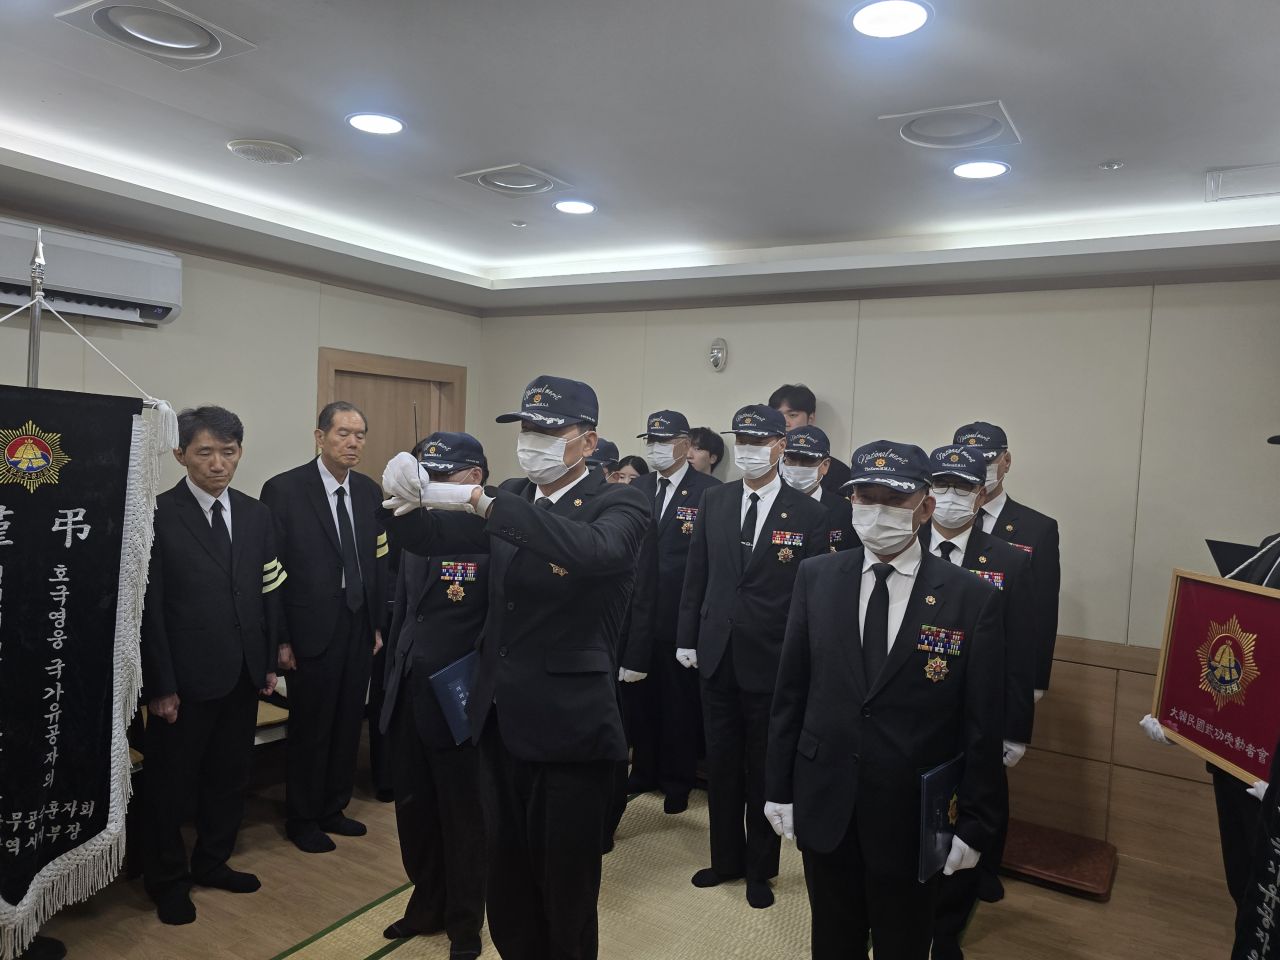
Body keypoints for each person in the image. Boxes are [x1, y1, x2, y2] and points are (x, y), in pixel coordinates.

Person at [380, 375, 649, 960]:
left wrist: (486, 503)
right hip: (497, 720)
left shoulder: (619, 501)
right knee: (507, 883)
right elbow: (430, 536)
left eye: (549, 430)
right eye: (527, 428)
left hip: (570, 727)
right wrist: (404, 496)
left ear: (588, 440)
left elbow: (595, 551)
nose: (533, 441)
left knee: (565, 891)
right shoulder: (517, 496)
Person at [765, 441, 1005, 960]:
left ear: (925, 506)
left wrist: (976, 822)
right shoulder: (816, 576)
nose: (877, 512)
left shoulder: (971, 597)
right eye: (865, 498)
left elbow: (982, 723)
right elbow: (791, 692)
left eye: (893, 500)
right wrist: (778, 787)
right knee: (833, 937)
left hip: (911, 814)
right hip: (826, 796)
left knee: (904, 943)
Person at [677, 403, 829, 908]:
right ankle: (725, 860)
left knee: (765, 769)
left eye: (758, 442)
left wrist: (804, 661)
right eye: (741, 441)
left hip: (772, 659)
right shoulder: (715, 500)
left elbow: (813, 599)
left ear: (780, 446)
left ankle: (760, 869)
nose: (747, 450)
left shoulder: (809, 513)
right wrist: (686, 637)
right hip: (716, 653)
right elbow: (696, 574)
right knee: (721, 766)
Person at [140, 406, 284, 925]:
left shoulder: (255, 513)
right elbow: (150, 610)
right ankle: (167, 880)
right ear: (181, 455)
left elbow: (267, 592)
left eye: (229, 451)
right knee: (170, 785)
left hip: (242, 673)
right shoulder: (156, 515)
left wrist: (268, 662)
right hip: (183, 681)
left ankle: (213, 860)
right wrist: (160, 685)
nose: (218, 463)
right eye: (205, 452)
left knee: (229, 776)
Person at [1142, 439, 1280, 926]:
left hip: (1273, 772)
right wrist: (1183, 716)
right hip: (1240, 768)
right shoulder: (1271, 548)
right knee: (1247, 889)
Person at [920, 445, 1036, 960]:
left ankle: (947, 930)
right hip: (912, 714)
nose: (950, 496)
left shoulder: (1009, 560)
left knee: (961, 826)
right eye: (940, 485)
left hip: (974, 719)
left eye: (962, 487)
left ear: (981, 491)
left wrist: (1016, 728)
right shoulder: (903, 544)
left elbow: (1020, 652)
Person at [260, 402, 388, 854]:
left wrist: (376, 624)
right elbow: (271, 569)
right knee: (312, 726)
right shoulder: (284, 489)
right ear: (320, 437)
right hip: (308, 629)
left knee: (348, 721)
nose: (352, 443)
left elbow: (377, 565)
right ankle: (303, 816)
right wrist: (280, 637)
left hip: (357, 624)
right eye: (342, 433)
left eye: (360, 434)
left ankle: (334, 806)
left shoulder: (369, 492)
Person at [379, 432, 488, 959]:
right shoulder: (415, 525)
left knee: (463, 816)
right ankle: (426, 903)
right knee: (414, 810)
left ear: (474, 478)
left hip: (458, 696)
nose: (431, 486)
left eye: (443, 476)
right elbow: (405, 611)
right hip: (408, 688)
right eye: (427, 476)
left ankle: (465, 922)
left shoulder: (491, 532)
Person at [622, 410, 721, 813]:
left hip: (681, 613)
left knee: (679, 703)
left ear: (685, 444)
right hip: (637, 614)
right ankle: (644, 769)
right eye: (651, 441)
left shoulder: (709, 491)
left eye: (664, 442)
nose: (656, 448)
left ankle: (678, 781)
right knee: (640, 700)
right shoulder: (639, 487)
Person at [953, 422, 1060, 699]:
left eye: (986, 460)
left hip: (999, 670)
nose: (978, 469)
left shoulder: (1038, 529)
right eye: (968, 461)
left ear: (1006, 461)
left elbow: (1042, 611)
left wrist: (1035, 680)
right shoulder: (933, 522)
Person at [780, 425, 856, 553]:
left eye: (807, 461)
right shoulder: (769, 503)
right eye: (792, 459)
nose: (798, 467)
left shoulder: (844, 510)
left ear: (825, 465)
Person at [768, 383, 851, 496]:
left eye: (792, 415)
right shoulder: (762, 463)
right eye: (778, 415)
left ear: (810, 418)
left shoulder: (838, 472)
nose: (784, 422)